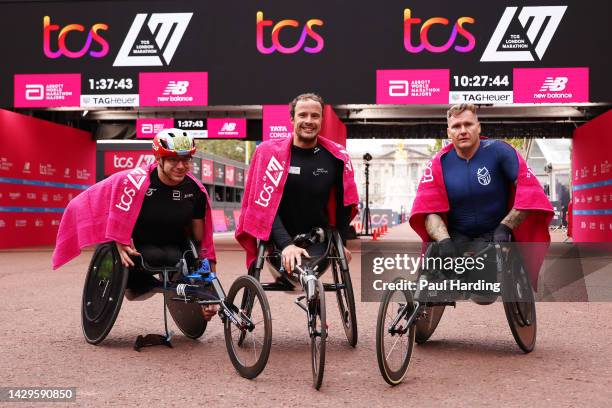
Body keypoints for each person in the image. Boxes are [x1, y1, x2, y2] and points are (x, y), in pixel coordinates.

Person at [52, 129, 218, 320]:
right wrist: (117, 240)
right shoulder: (133, 181)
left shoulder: (196, 191)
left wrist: (209, 291)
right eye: (173, 160)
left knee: (182, 256)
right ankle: (136, 284)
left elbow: (202, 241)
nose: (181, 166)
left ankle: (159, 284)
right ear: (159, 159)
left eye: (186, 159)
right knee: (141, 271)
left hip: (174, 247)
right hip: (136, 247)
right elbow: (86, 201)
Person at [409, 104, 553, 290]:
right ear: (448, 132)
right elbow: (428, 210)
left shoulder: (500, 151)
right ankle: (419, 314)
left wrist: (505, 227)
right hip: (456, 235)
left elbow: (529, 194)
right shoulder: (439, 163)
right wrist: (444, 241)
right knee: (431, 279)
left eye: (468, 124)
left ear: (479, 127)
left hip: (493, 234)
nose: (462, 131)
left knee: (483, 292)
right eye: (456, 126)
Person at [236, 93, 358, 277]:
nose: (309, 121)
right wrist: (286, 244)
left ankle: (314, 300)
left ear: (322, 120)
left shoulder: (336, 158)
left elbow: (343, 205)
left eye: (315, 116)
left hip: (316, 238)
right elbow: (263, 207)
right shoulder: (268, 154)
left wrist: (341, 245)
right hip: (276, 238)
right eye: (303, 115)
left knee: (308, 275)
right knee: (299, 271)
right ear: (292, 119)